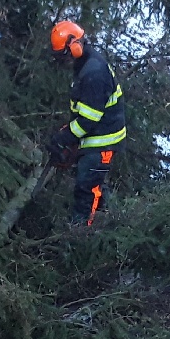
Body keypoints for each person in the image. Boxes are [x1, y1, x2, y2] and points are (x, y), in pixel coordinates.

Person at [46, 20, 126, 227]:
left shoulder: (94, 73)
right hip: (95, 136)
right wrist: (66, 135)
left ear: (75, 45)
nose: (64, 62)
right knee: (96, 184)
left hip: (102, 140)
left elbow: (89, 120)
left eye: (64, 56)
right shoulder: (84, 66)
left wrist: (65, 138)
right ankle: (115, 222)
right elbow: (82, 112)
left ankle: (81, 233)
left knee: (86, 190)